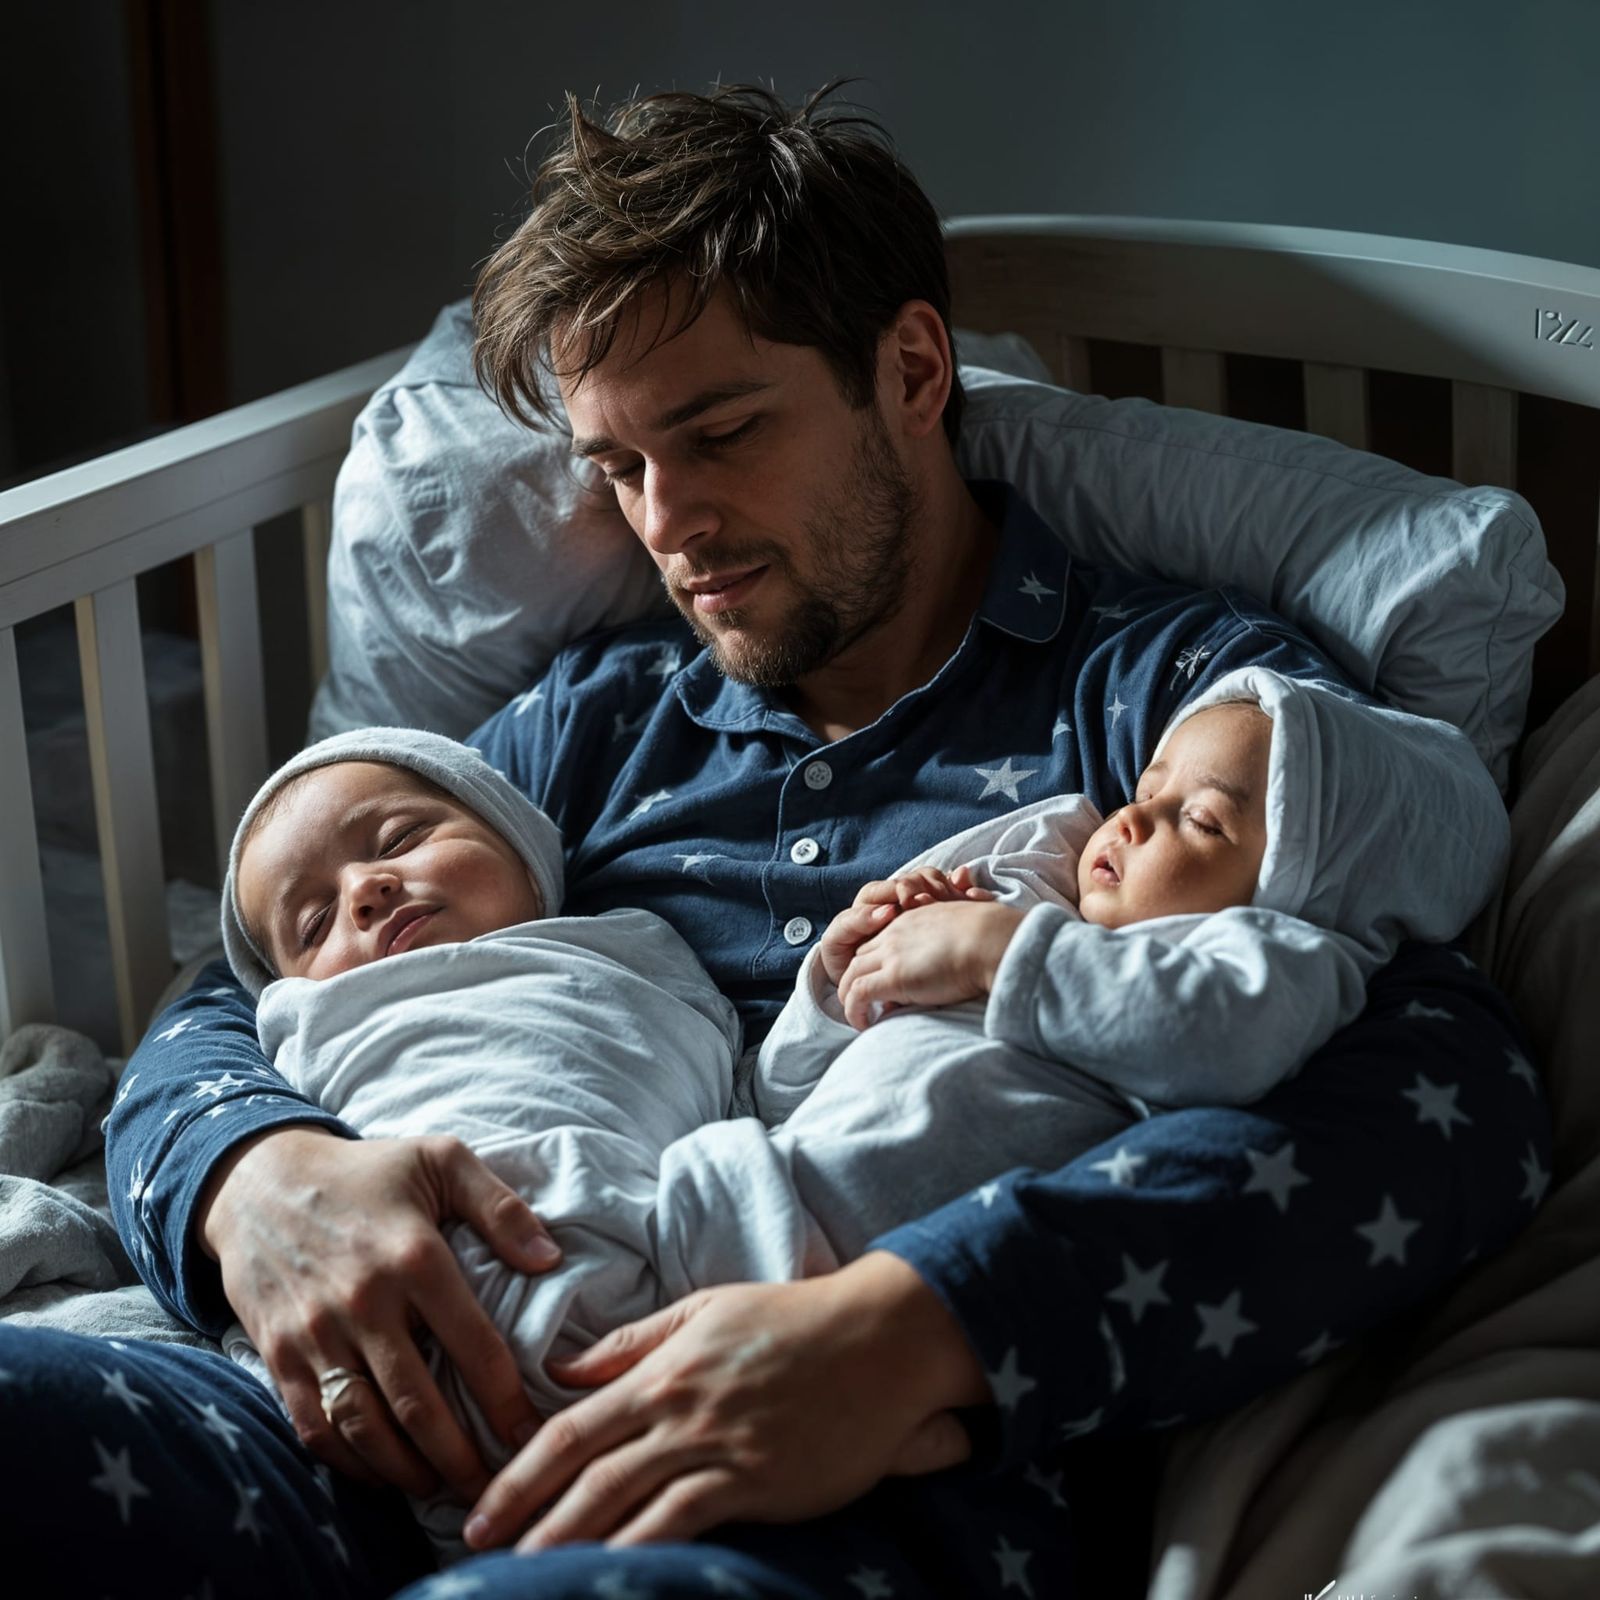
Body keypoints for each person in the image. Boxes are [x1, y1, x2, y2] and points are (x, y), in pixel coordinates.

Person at [1, 82, 1545, 1599]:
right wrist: (253, 1182)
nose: (666, 525)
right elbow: (242, 984)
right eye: (618, 469)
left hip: (850, 1478)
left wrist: (917, 1325)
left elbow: (1443, 1089)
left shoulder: (1164, 704)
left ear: (917, 371)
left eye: (722, 432)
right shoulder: (595, 723)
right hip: (387, 1416)